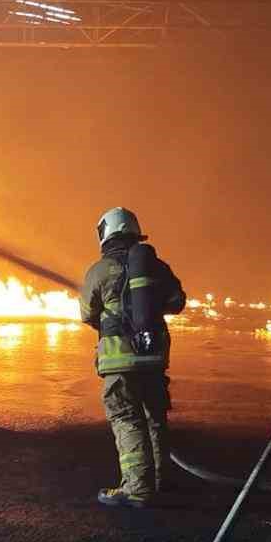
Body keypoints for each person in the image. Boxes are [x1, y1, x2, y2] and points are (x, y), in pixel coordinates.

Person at [80, 207, 187, 508]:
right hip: (153, 356)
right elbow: (177, 302)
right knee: (155, 418)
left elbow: (87, 313)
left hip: (118, 360)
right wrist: (148, 308)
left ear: (106, 233)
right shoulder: (157, 267)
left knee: (127, 418)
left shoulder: (99, 271)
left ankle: (138, 489)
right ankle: (161, 479)